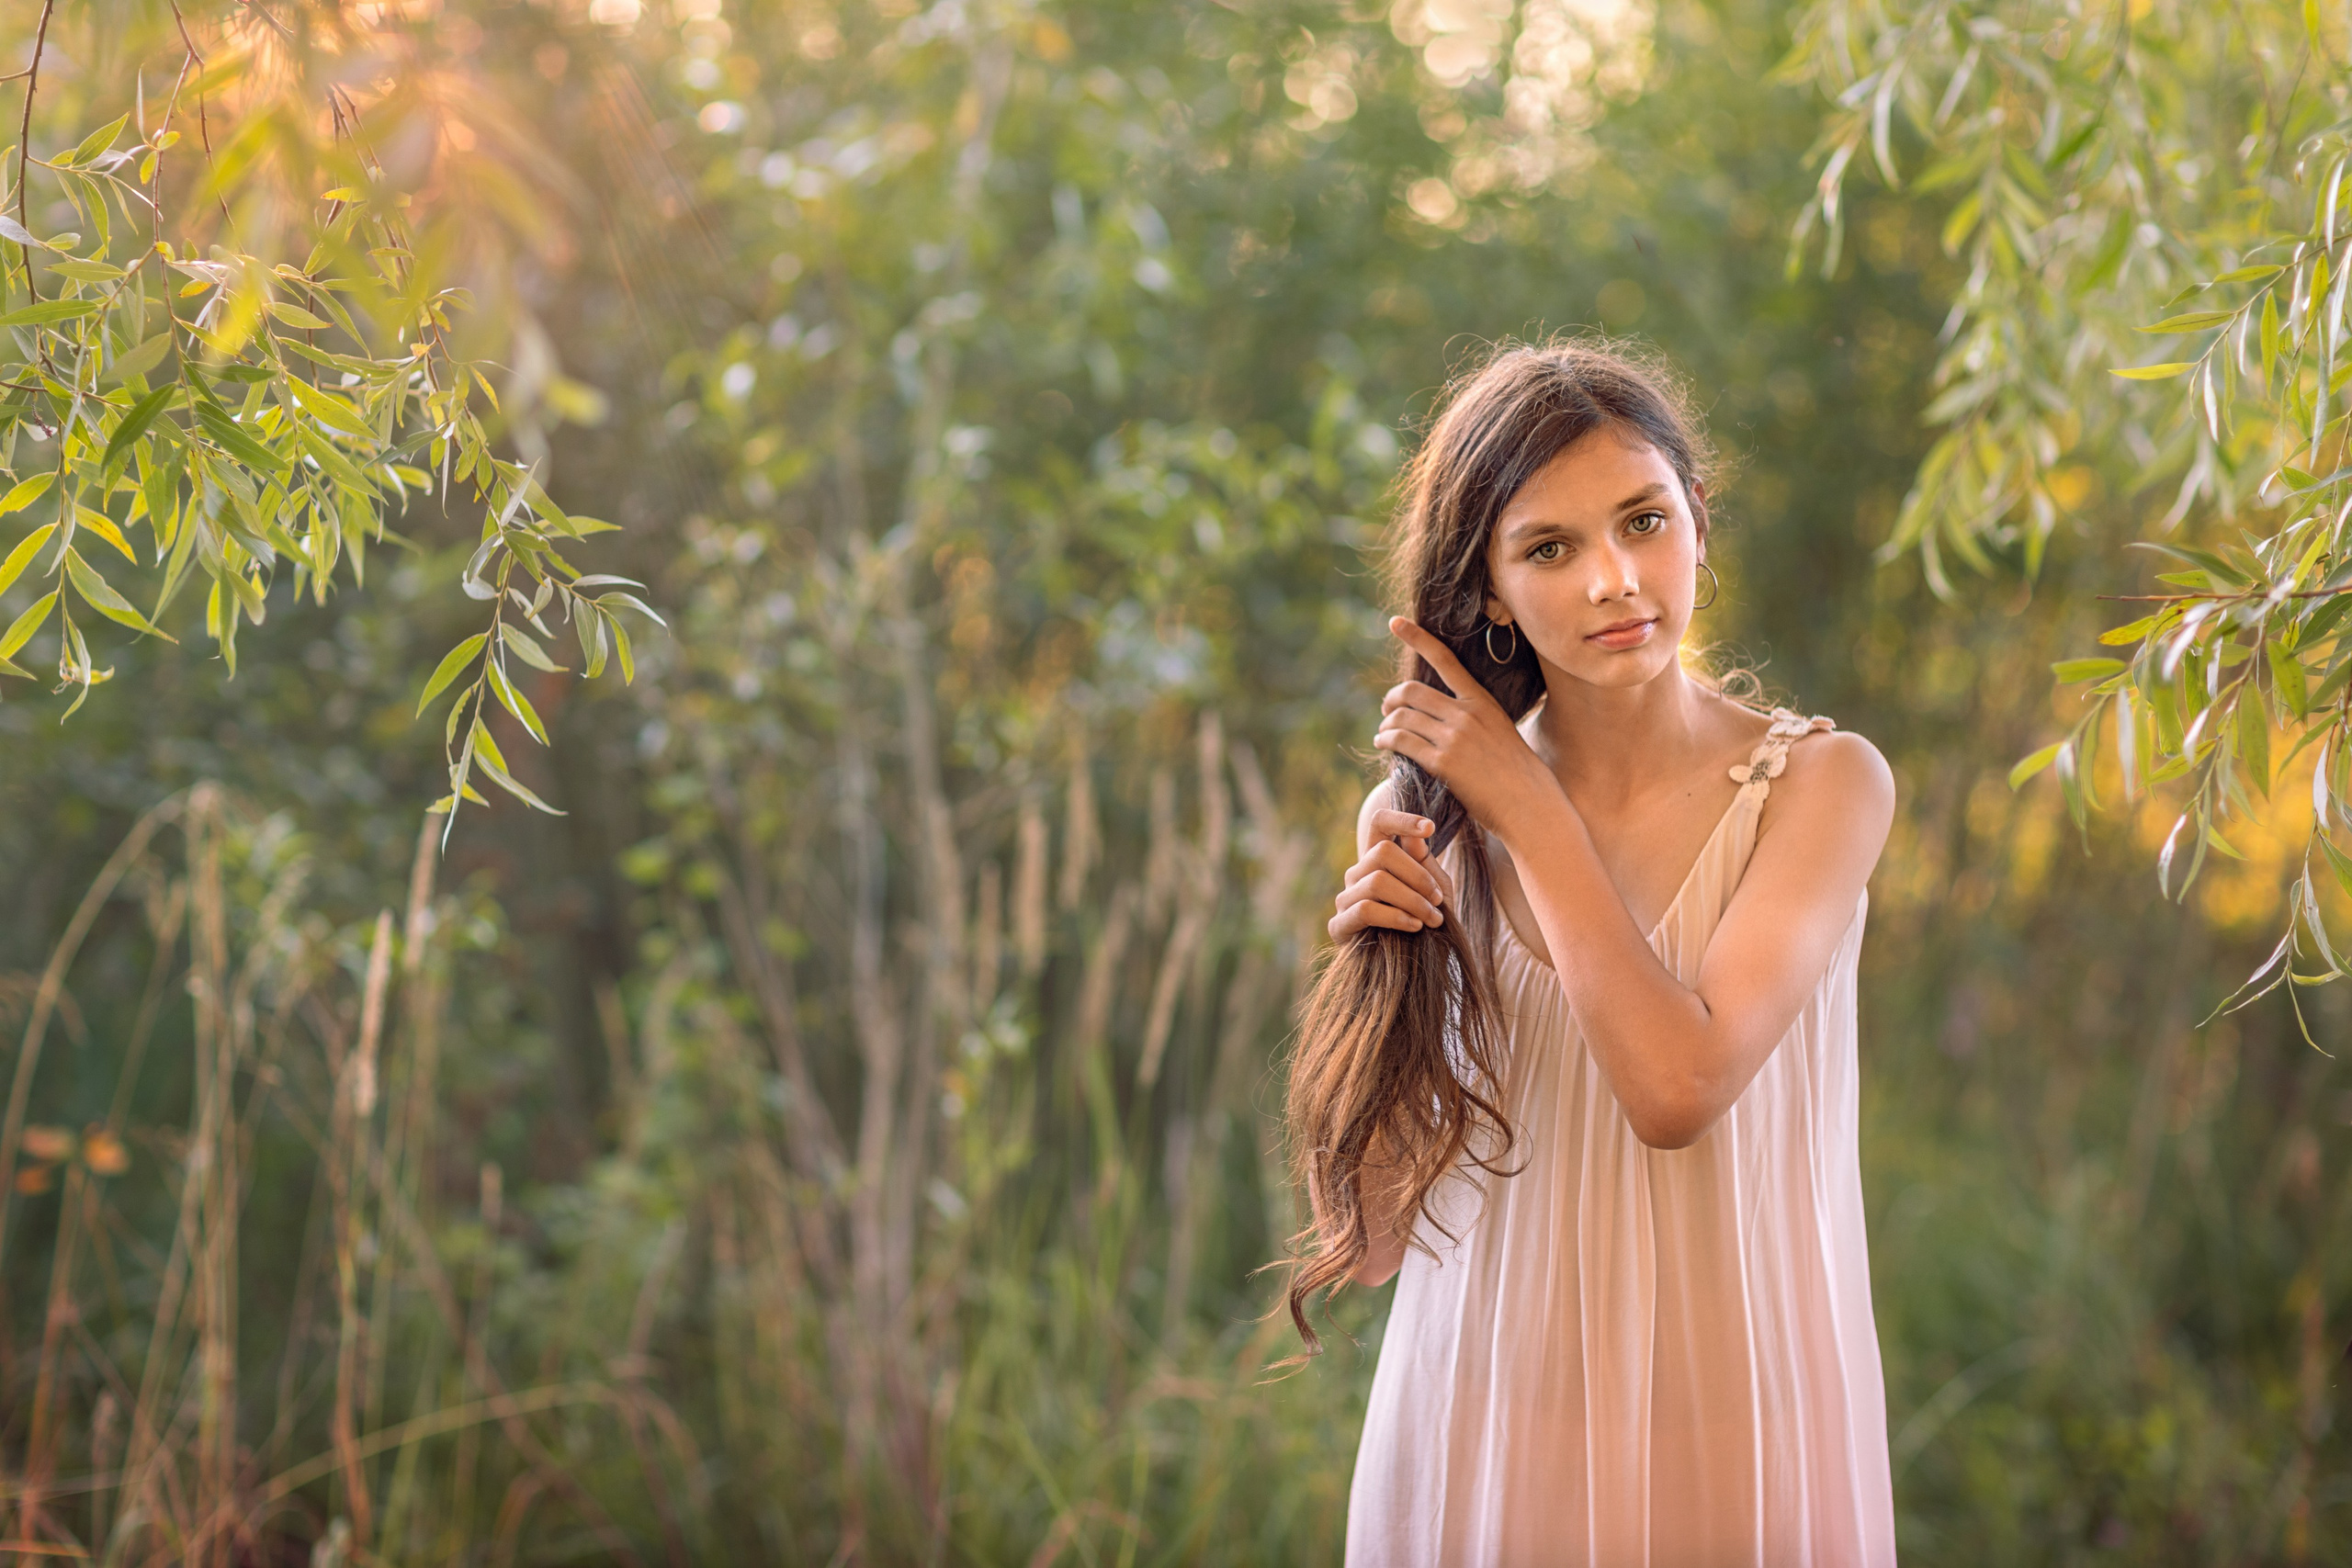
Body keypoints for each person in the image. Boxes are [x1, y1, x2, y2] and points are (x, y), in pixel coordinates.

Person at [1282, 339, 1899, 1567]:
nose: (1615, 579)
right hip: (1488, 1432)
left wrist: (1528, 809)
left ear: (1699, 524)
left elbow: (1679, 1088)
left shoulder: (1821, 787)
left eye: (1643, 521)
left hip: (1745, 1439)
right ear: (1493, 589)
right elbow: (1376, 1234)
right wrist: (1363, 983)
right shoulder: (1429, 823)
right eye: (1550, 548)